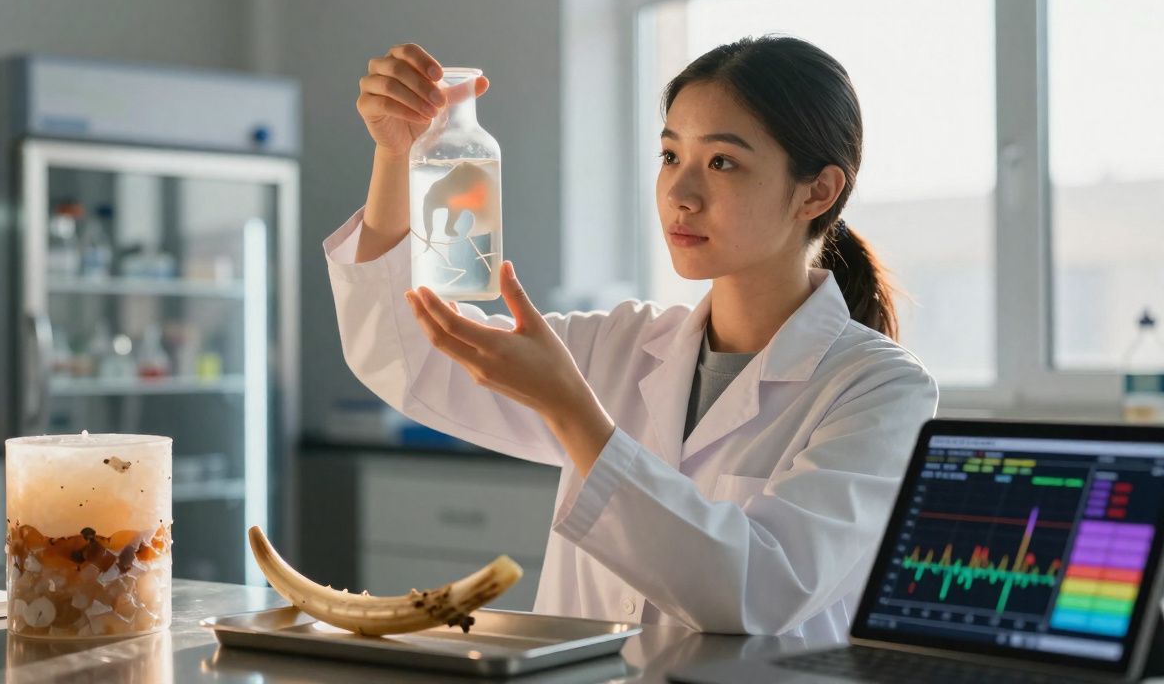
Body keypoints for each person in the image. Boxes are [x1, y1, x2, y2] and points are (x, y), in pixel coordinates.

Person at [324, 35, 938, 643]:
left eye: (721, 162)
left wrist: (572, 410)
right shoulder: (620, 343)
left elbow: (757, 592)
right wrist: (396, 156)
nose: (680, 194)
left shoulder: (881, 391)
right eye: (671, 157)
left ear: (817, 191)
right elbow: (410, 360)